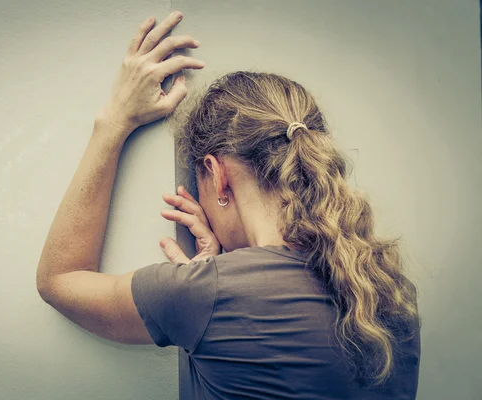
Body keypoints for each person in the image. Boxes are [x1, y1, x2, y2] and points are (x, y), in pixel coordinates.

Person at [36, 11, 421, 400]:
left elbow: (59, 281)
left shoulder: (207, 295)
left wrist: (114, 121)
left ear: (216, 175)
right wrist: (218, 270)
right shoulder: (385, 288)